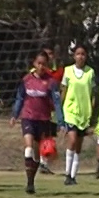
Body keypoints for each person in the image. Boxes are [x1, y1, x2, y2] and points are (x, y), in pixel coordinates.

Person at [10, 51, 64, 194]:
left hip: (44, 120)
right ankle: (29, 183)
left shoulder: (51, 82)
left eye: (44, 64)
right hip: (28, 118)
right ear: (34, 63)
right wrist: (15, 115)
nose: (41, 66)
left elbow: (57, 103)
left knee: (37, 155)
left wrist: (60, 121)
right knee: (28, 148)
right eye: (38, 63)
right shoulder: (26, 80)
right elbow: (20, 98)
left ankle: (31, 182)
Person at [61, 44, 96, 185]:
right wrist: (59, 109)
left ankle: (73, 176)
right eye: (78, 54)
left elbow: (93, 93)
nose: (80, 56)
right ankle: (67, 173)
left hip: (84, 112)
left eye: (83, 54)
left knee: (79, 145)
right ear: (74, 56)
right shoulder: (68, 71)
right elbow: (63, 90)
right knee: (72, 140)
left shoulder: (90, 72)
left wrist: (92, 110)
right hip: (71, 111)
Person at [38, 43, 65, 175]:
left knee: (48, 136)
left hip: (52, 109)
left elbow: (62, 88)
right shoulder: (37, 72)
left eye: (50, 54)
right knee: (39, 136)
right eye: (45, 54)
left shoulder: (59, 71)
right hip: (39, 109)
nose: (48, 57)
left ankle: (44, 163)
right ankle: (39, 161)